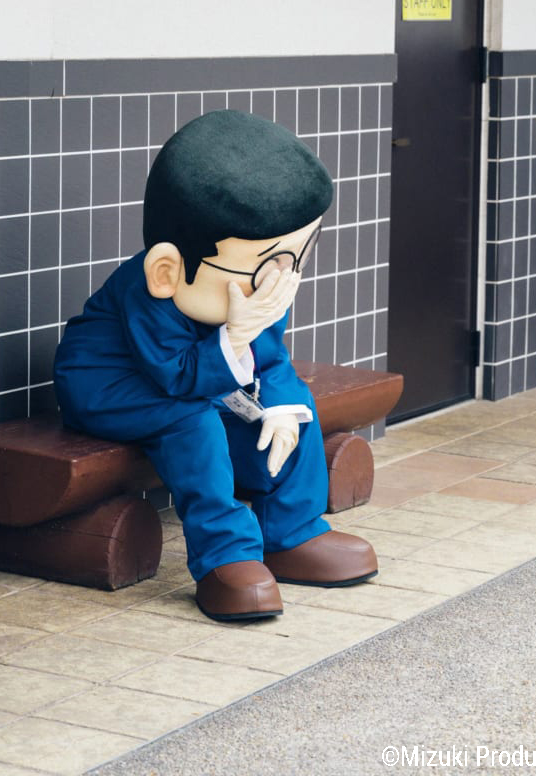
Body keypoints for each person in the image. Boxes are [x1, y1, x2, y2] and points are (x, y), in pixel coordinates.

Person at [54, 109, 377, 621]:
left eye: (293, 259)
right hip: (113, 386)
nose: (281, 280)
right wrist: (239, 336)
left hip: (199, 377)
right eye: (265, 267)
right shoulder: (148, 292)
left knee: (294, 406)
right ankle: (225, 556)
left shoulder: (263, 288)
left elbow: (269, 362)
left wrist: (280, 408)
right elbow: (176, 377)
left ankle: (292, 531)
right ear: (169, 270)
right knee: (193, 419)